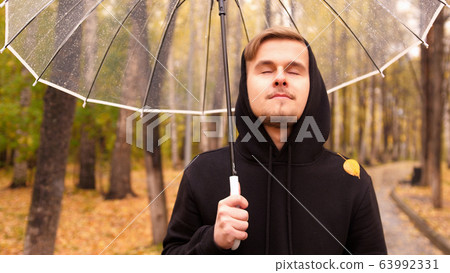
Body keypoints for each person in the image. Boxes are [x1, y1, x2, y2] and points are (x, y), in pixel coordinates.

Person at [162, 26, 387, 255]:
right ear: (245, 85)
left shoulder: (350, 181)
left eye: (294, 71)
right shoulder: (202, 172)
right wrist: (211, 240)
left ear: (313, 85)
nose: (280, 79)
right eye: (266, 71)